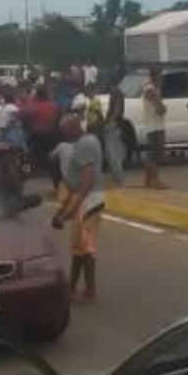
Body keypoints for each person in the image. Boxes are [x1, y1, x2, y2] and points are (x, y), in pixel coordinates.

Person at [51, 114, 105, 302]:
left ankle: (88, 291)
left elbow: (87, 181)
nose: (64, 135)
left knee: (85, 248)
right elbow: (75, 185)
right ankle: (74, 288)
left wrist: (71, 209)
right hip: (84, 199)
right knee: (79, 249)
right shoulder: (82, 143)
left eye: (65, 131)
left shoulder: (85, 144)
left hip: (89, 200)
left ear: (73, 128)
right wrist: (63, 211)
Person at [23, 87, 60, 177]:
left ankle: (26, 170)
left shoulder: (34, 107)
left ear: (37, 96)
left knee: (25, 150)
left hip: (37, 135)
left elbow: (25, 118)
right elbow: (58, 119)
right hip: (52, 135)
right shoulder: (54, 106)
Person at [142, 67, 168, 189]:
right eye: (160, 77)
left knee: (151, 155)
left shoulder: (151, 88)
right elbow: (160, 109)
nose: (162, 79)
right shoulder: (151, 89)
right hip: (155, 126)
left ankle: (147, 180)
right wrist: (163, 107)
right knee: (155, 156)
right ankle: (155, 180)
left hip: (153, 125)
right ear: (155, 77)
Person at [103, 80, 126, 186]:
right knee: (114, 152)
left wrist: (110, 122)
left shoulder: (116, 93)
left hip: (114, 126)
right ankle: (117, 177)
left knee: (113, 153)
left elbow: (116, 110)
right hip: (115, 125)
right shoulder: (117, 92)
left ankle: (117, 177)